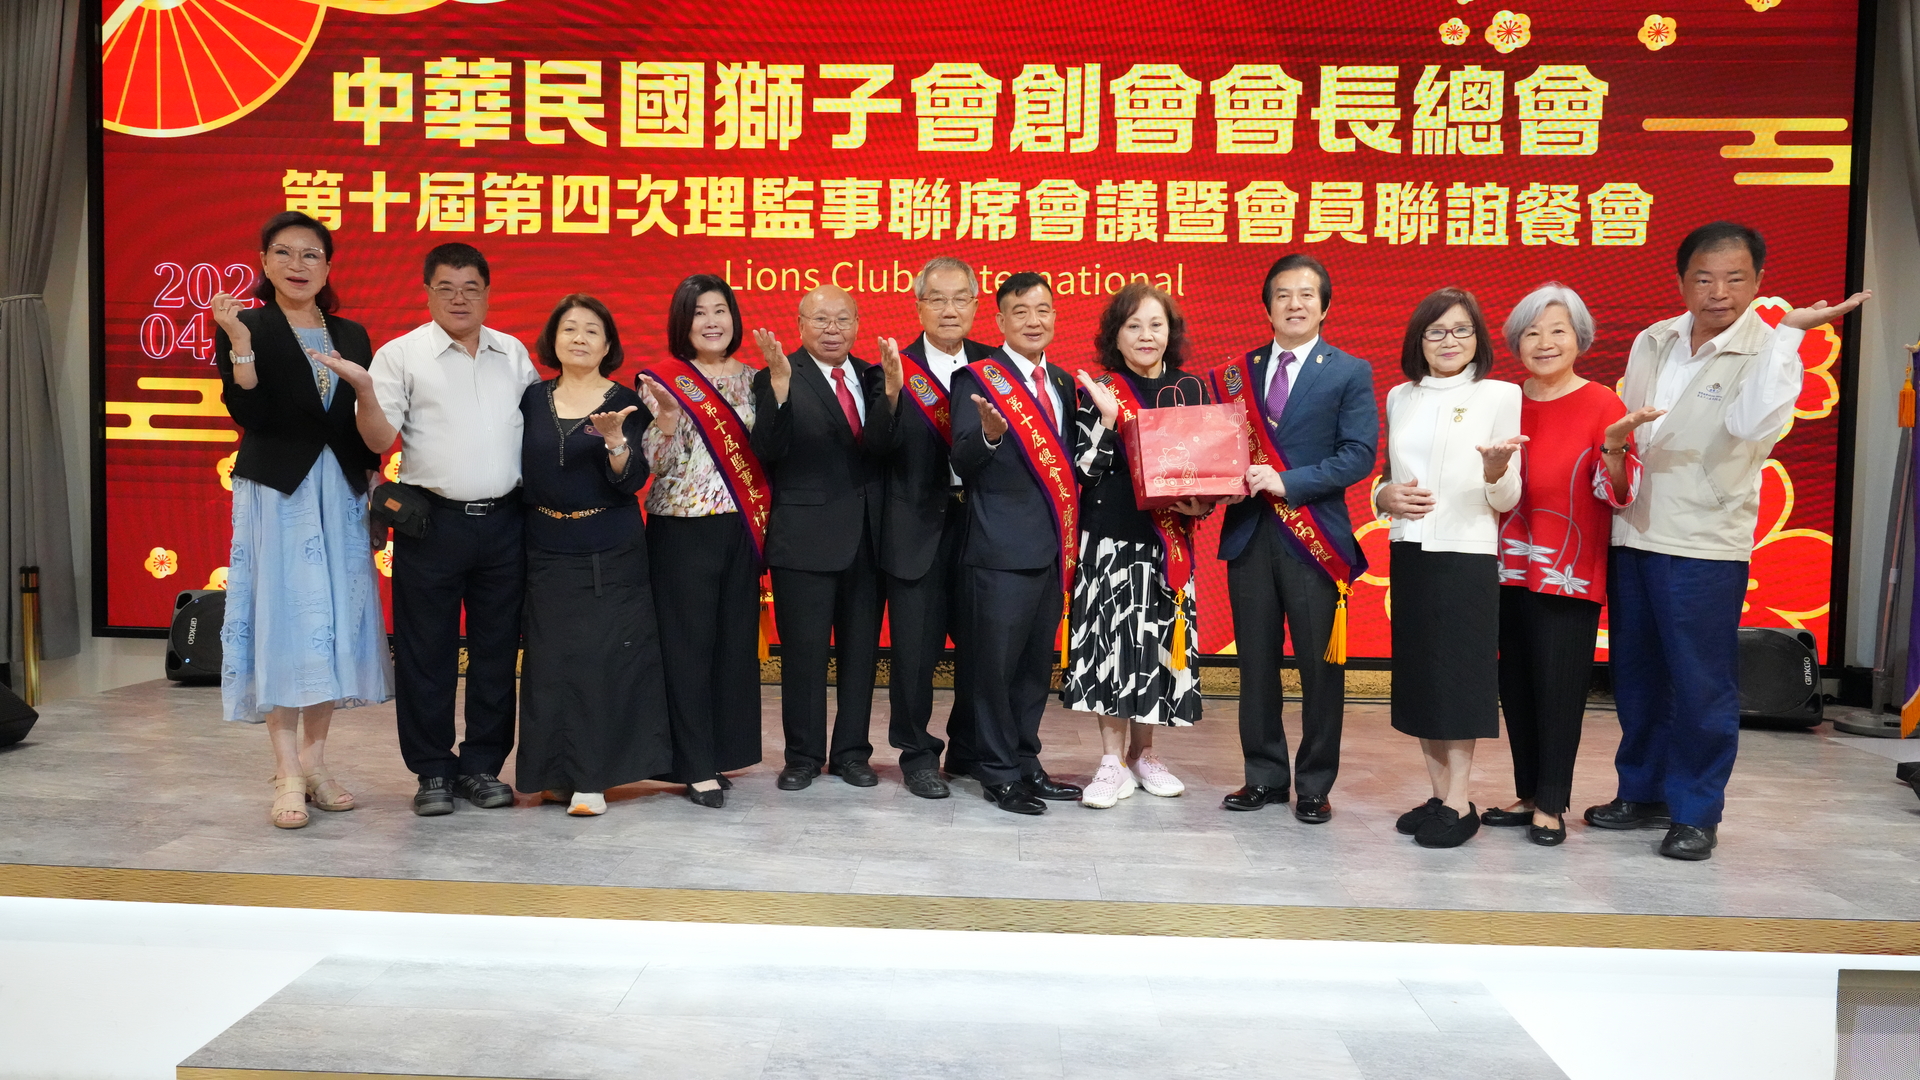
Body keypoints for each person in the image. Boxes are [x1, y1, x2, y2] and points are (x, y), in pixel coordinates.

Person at [1586, 222, 1868, 860]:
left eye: (1736, 279)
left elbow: (1752, 423)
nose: (1719, 292)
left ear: (1758, 281)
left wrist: (1791, 335)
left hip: (1703, 542)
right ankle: (1643, 791)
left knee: (1700, 682)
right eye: (1704, 278)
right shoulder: (1654, 338)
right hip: (1633, 530)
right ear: (1682, 281)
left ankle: (1695, 810)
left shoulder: (1768, 350)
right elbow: (1632, 427)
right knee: (1637, 675)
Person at [324, 243, 539, 817]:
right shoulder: (401, 355)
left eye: (471, 288)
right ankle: (433, 771)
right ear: (427, 292)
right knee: (427, 654)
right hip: (432, 524)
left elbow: (539, 431)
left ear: (488, 293)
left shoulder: (513, 353)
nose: (459, 299)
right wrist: (363, 391)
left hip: (505, 523)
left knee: (497, 653)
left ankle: (482, 767)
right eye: (446, 288)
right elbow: (377, 440)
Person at [210, 211, 391, 829]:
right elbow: (248, 412)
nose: (297, 265)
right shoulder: (248, 323)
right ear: (264, 262)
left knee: (329, 624)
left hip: (339, 492)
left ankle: (315, 763)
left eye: (310, 254)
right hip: (279, 491)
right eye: (283, 253)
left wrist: (371, 476)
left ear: (328, 266)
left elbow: (358, 420)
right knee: (284, 624)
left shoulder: (352, 333)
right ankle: (286, 772)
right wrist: (238, 344)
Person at [1488, 284, 1656, 845]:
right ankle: (1528, 792)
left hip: (1569, 571)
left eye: (1557, 331)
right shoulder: (1502, 402)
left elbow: (1618, 494)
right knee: (1515, 686)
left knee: (1558, 689)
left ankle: (1552, 802)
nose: (1545, 342)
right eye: (1532, 332)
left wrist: (1614, 447)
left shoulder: (1603, 404)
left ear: (1579, 339)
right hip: (1502, 566)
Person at [1214, 255, 1379, 824]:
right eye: (1283, 294)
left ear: (1325, 306)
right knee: (1255, 665)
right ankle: (1263, 776)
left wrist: (1288, 482)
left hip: (1315, 541)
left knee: (1319, 668)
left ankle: (1313, 783)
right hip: (1249, 536)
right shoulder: (1236, 372)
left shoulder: (1349, 371)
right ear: (1267, 307)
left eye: (1307, 294)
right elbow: (1217, 448)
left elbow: (1358, 455)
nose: (1294, 304)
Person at [1374, 288, 1525, 848]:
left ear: (1478, 338)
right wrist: (1382, 497)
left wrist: (1495, 471)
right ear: (1418, 340)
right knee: (1421, 680)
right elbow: (1389, 477)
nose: (1448, 341)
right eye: (1435, 331)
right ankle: (1439, 796)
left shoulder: (1500, 395)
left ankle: (1461, 802)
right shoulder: (1400, 396)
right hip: (1409, 548)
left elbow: (1507, 498)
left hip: (1467, 552)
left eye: (1461, 330)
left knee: (1459, 681)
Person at [950, 272, 1103, 814]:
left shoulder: (1062, 382)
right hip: (997, 550)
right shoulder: (976, 379)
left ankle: (1025, 760)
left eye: (1042, 310)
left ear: (1055, 316)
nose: (1033, 321)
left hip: (1053, 549)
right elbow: (961, 458)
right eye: (1020, 311)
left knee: (1035, 668)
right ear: (1000, 321)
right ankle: (996, 771)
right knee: (993, 669)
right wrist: (989, 435)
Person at [513, 294, 670, 816]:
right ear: (553, 339)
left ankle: (592, 779)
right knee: (549, 666)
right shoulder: (531, 398)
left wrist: (616, 443)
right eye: (569, 328)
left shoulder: (625, 401)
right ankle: (552, 774)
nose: (579, 338)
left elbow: (631, 481)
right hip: (544, 548)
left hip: (609, 549)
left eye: (591, 331)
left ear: (608, 345)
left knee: (602, 665)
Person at [1064, 283, 1214, 808]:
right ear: (1116, 335)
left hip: (1165, 544)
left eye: (1156, 324)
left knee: (1153, 648)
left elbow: (1206, 471)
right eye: (1133, 326)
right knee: (1111, 648)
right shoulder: (1098, 389)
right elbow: (1084, 472)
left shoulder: (1191, 390)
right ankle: (1111, 762)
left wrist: (1202, 504)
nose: (1146, 335)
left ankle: (1143, 755)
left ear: (1171, 333)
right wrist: (1106, 420)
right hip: (1109, 541)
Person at [867, 256, 998, 799]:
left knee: (982, 646)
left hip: (982, 527)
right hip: (916, 527)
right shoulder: (891, 369)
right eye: (937, 299)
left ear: (975, 304)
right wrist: (892, 396)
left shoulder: (996, 367)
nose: (949, 309)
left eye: (960, 298)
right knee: (915, 653)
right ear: (918, 306)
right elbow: (875, 448)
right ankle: (917, 754)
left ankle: (969, 748)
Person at [749, 286, 887, 792]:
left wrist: (894, 396)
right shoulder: (777, 374)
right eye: (821, 319)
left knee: (860, 654)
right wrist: (781, 388)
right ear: (800, 324)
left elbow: (885, 448)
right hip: (804, 540)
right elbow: (768, 448)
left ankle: (852, 753)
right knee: (804, 656)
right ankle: (803, 756)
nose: (833, 329)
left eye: (843, 319)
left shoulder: (874, 376)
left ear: (857, 324)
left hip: (867, 540)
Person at [636, 275, 766, 809]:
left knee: (732, 648)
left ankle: (718, 752)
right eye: (699, 313)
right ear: (682, 323)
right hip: (682, 528)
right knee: (686, 649)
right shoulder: (661, 381)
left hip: (740, 527)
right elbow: (652, 462)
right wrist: (666, 420)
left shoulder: (757, 379)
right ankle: (692, 764)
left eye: (720, 310)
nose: (712, 322)